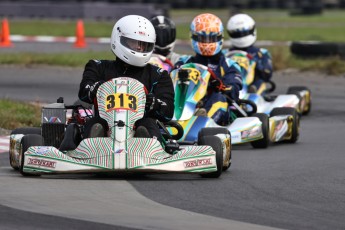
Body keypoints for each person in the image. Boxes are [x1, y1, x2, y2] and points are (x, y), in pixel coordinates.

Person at [78, 15, 174, 143]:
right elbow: (84, 93)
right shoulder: (97, 67)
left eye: (144, 45)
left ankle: (149, 151)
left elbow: (168, 112)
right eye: (134, 43)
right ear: (119, 39)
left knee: (147, 124)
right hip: (106, 126)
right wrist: (95, 88)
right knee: (95, 124)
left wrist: (154, 103)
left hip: (141, 128)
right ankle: (90, 151)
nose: (140, 48)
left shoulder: (159, 75)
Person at [174, 13, 242, 125]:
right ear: (194, 37)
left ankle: (203, 121)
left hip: (218, 106)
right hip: (188, 103)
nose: (207, 43)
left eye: (211, 38)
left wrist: (220, 86)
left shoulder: (229, 64)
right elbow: (172, 82)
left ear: (219, 38)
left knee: (219, 99)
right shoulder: (184, 62)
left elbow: (233, 89)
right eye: (202, 38)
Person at [225, 13, 273, 94]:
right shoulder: (225, 53)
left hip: (253, 89)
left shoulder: (261, 53)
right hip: (230, 86)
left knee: (261, 80)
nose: (241, 37)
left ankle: (253, 90)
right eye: (237, 34)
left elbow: (267, 74)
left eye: (244, 33)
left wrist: (256, 63)